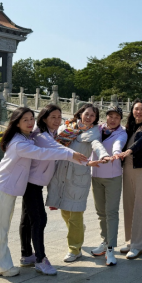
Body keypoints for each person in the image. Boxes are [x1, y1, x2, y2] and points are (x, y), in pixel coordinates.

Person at [0, 107, 88, 277]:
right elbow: (41, 153)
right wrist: (71, 156)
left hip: (9, 187)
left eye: (31, 118)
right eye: (25, 120)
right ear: (17, 123)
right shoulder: (20, 143)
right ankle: (2, 267)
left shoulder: (27, 136)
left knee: (0, 225)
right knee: (0, 227)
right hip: (3, 186)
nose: (30, 122)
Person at [19, 104, 80, 276]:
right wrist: (82, 159)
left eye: (59, 117)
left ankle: (26, 255)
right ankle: (40, 259)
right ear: (44, 118)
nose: (57, 120)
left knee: (27, 219)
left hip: (35, 182)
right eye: (53, 117)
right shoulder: (41, 135)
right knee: (39, 219)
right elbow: (57, 149)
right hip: (31, 183)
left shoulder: (50, 132)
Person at [46, 104, 111, 263]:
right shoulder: (65, 128)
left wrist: (103, 155)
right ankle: (79, 231)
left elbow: (97, 145)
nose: (89, 117)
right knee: (65, 211)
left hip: (78, 175)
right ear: (80, 113)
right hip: (60, 172)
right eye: (87, 114)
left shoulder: (94, 133)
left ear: (95, 119)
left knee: (75, 213)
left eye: (92, 115)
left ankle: (74, 249)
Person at [117, 99, 142, 260]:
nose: (138, 112)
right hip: (127, 168)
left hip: (141, 169)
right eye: (136, 109)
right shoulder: (129, 127)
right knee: (128, 205)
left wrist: (130, 150)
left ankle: (138, 244)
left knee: (141, 206)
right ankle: (130, 241)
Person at [90, 106, 128, 267]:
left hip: (113, 177)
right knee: (101, 212)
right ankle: (105, 241)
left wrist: (116, 153)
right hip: (96, 175)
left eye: (116, 117)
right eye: (110, 116)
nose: (113, 120)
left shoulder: (122, 132)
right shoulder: (97, 129)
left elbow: (118, 144)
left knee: (111, 212)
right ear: (106, 117)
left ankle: (111, 248)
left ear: (120, 119)